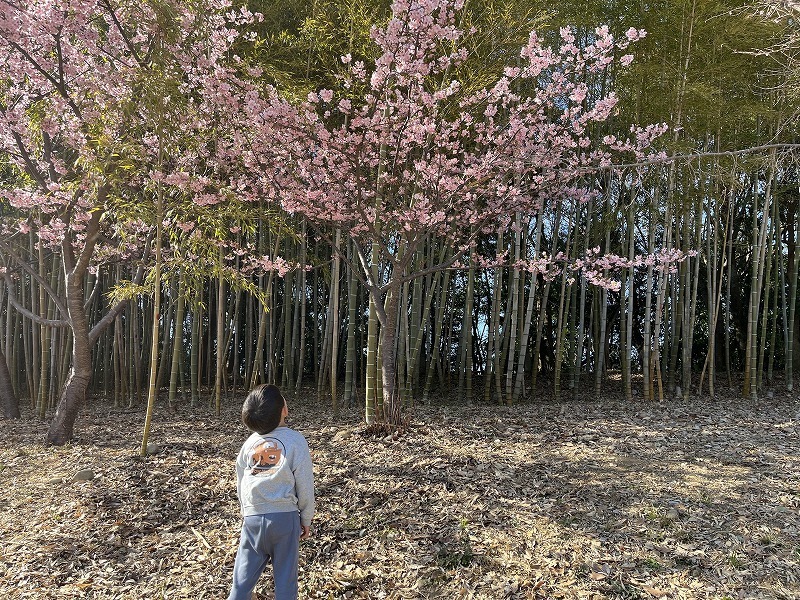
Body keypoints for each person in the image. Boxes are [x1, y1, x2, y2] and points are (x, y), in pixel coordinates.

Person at [228, 384, 315, 600]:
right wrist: (306, 518)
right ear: (284, 410)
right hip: (284, 519)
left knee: (241, 583)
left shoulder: (249, 444)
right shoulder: (296, 441)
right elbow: (304, 483)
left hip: (253, 519)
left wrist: (246, 512)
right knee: (285, 583)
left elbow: (241, 481)